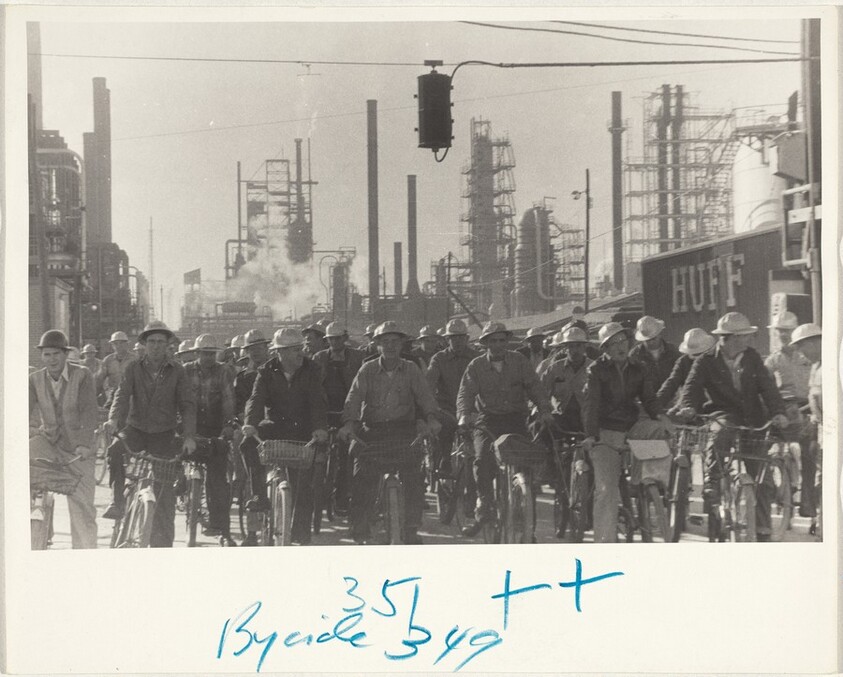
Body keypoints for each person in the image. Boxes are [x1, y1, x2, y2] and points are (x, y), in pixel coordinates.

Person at [678, 312, 788, 541]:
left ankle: (763, 528)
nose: (747, 340)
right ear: (726, 338)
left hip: (752, 419)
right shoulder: (706, 361)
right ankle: (713, 480)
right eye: (742, 336)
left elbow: (768, 388)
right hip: (724, 414)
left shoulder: (752, 357)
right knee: (721, 433)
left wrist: (778, 412)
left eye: (747, 336)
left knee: (762, 477)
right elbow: (691, 389)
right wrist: (688, 407)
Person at [340, 321, 442, 545]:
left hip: (403, 430)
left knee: (414, 476)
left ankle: (412, 527)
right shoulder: (367, 369)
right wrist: (349, 423)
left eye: (395, 341)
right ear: (376, 345)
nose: (390, 346)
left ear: (402, 344)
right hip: (373, 430)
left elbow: (425, 397)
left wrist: (432, 418)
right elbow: (354, 398)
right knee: (361, 477)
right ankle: (361, 526)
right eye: (384, 342)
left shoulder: (412, 369)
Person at [103, 321, 197, 547]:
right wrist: (114, 419)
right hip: (136, 430)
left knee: (164, 496)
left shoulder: (178, 371)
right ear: (144, 344)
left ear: (168, 345)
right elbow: (122, 396)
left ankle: (162, 546)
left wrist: (189, 436)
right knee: (115, 449)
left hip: (164, 434)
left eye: (160, 342)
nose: (155, 346)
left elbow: (187, 405)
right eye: (151, 342)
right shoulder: (133, 368)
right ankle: (117, 501)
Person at [456, 321, 554, 537]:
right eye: (493, 341)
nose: (498, 345)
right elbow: (465, 394)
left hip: (515, 420)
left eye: (502, 340)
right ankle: (485, 510)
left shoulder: (519, 361)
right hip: (487, 422)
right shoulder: (476, 366)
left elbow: (535, 387)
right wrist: (464, 416)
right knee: (482, 462)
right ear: (485, 344)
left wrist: (545, 409)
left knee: (525, 468)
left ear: (507, 341)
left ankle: (529, 529)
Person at [582, 322, 674, 543]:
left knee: (659, 430)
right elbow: (591, 405)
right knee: (606, 490)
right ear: (605, 349)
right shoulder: (595, 370)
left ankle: (647, 480)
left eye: (622, 341)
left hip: (631, 426)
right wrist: (591, 435)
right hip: (605, 431)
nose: (619, 347)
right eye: (613, 344)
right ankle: (605, 544)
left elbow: (649, 399)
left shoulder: (638, 367)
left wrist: (661, 416)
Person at [241, 328, 329, 545]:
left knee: (304, 484)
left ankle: (300, 535)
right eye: (294, 350)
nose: (301, 354)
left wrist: (319, 427)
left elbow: (318, 401)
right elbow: (255, 400)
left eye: (301, 349)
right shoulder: (266, 371)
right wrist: (250, 424)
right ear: (280, 353)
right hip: (276, 425)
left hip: (305, 428)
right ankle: (259, 496)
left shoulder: (312, 369)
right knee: (247, 443)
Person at [29, 330, 99, 548]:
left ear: (65, 354)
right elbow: (22, 410)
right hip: (50, 443)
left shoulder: (83, 375)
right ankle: (36, 528)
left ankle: (85, 557)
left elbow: (89, 412)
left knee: (82, 509)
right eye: (47, 355)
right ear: (42, 356)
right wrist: (29, 431)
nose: (52, 359)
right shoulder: (34, 379)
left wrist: (84, 444)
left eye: (56, 354)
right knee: (21, 459)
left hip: (79, 450)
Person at [538, 327, 593, 538]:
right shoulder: (554, 369)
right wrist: (543, 411)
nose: (575, 350)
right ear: (565, 348)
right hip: (561, 418)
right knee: (543, 430)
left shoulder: (594, 368)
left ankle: (588, 508)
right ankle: (549, 469)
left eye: (578, 345)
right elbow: (540, 393)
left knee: (595, 461)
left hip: (587, 420)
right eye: (570, 346)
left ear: (585, 347)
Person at [184, 334, 238, 546]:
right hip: (190, 426)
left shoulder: (223, 371)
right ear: (196, 354)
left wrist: (227, 426)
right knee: (173, 463)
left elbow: (228, 400)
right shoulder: (186, 371)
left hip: (215, 428)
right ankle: (182, 483)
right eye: (204, 354)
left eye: (211, 354)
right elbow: (180, 399)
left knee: (218, 481)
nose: (208, 358)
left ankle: (222, 529)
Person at [312, 321, 365, 517]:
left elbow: (362, 386)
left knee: (347, 454)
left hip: (350, 411)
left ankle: (343, 496)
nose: (334, 342)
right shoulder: (319, 358)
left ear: (345, 338)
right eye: (331, 339)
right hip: (325, 410)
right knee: (315, 451)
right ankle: (314, 493)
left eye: (338, 338)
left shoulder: (358, 357)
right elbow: (313, 386)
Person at [764, 311, 813, 496]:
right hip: (782, 406)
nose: (783, 335)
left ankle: (808, 498)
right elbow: (764, 383)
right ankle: (768, 488)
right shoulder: (773, 359)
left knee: (809, 450)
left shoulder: (806, 356)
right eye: (779, 331)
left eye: (787, 330)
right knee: (762, 445)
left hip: (807, 406)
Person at [426, 319, 480, 474]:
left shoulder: (476, 358)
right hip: (447, 408)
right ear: (446, 339)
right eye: (453, 338)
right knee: (444, 428)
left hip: (472, 409)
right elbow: (429, 385)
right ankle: (445, 460)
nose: (457, 341)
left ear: (467, 338)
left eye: (461, 337)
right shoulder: (438, 359)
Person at [232, 329, 271, 546]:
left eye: (259, 348)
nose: (255, 353)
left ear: (267, 348)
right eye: (251, 349)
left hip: (274, 429)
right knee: (249, 480)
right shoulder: (243, 378)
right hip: (250, 432)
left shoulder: (278, 371)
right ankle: (252, 533)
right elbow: (237, 407)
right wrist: (245, 423)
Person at [789, 323, 822, 530]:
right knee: (818, 472)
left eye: (802, 348)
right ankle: (819, 519)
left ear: (813, 342)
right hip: (819, 426)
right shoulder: (816, 365)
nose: (801, 354)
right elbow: (816, 398)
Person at [657, 328, 716, 411]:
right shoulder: (683, 362)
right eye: (694, 354)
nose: (697, 358)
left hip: (714, 407)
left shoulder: (715, 361)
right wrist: (657, 402)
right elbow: (672, 382)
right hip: (689, 407)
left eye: (699, 353)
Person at [629, 315, 680, 391]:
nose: (651, 342)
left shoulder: (673, 351)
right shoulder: (634, 355)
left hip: (672, 398)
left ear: (659, 334)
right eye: (648, 340)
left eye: (653, 338)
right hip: (646, 400)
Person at [97, 331, 136, 406]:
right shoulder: (108, 360)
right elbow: (99, 379)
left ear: (127, 344)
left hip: (131, 396)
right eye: (115, 343)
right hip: (113, 396)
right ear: (112, 345)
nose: (118, 346)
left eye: (121, 343)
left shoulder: (135, 359)